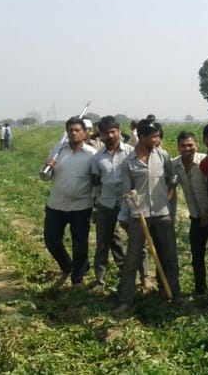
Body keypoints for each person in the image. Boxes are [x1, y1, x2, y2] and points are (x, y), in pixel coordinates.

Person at [115, 119, 181, 315]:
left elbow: (172, 180)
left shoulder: (163, 156)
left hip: (162, 214)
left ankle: (173, 294)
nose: (157, 139)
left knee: (169, 256)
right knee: (132, 258)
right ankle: (125, 300)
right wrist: (125, 215)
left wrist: (169, 203)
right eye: (154, 136)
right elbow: (126, 191)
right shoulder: (129, 162)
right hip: (139, 216)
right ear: (142, 137)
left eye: (158, 136)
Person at [40, 116, 96, 288]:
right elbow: (45, 177)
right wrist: (48, 166)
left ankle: (77, 279)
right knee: (51, 239)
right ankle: (67, 266)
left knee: (80, 244)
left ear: (85, 133)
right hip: (56, 204)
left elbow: (96, 180)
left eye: (77, 130)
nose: (73, 133)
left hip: (81, 206)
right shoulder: (58, 151)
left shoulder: (92, 155)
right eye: (70, 130)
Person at [90, 116, 135, 293]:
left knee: (137, 241)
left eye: (113, 132)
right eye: (106, 133)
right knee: (103, 243)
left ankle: (143, 278)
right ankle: (99, 281)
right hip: (106, 204)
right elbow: (96, 185)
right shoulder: (97, 158)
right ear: (100, 135)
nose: (110, 136)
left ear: (119, 131)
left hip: (129, 203)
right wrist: (95, 207)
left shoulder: (131, 153)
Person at [173, 131, 208, 295]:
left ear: (197, 145)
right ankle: (200, 290)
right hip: (196, 218)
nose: (187, 149)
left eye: (190, 145)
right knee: (197, 255)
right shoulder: (174, 165)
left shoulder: (205, 162)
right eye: (183, 146)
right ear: (178, 147)